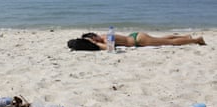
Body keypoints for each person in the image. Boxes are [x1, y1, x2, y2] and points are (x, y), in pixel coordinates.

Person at [68, 32, 206, 51]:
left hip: (139, 40)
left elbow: (110, 49)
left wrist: (97, 44)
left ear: (94, 37)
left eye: (92, 40)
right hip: (137, 37)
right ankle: (186, 37)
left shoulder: (105, 37)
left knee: (170, 43)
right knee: (163, 39)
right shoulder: (105, 35)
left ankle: (196, 40)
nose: (93, 42)